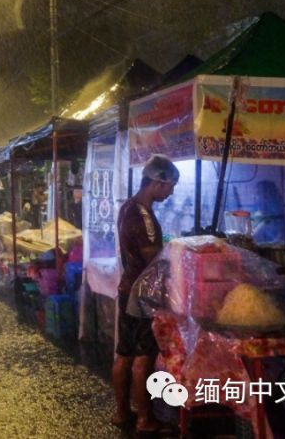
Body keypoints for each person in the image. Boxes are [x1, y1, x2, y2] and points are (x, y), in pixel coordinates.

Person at [112, 154, 179, 433]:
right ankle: (144, 419)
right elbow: (151, 257)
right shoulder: (143, 216)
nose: (172, 191)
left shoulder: (127, 207)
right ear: (156, 182)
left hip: (127, 287)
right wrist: (173, 258)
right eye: (170, 185)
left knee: (124, 354)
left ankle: (121, 413)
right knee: (143, 356)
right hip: (142, 293)